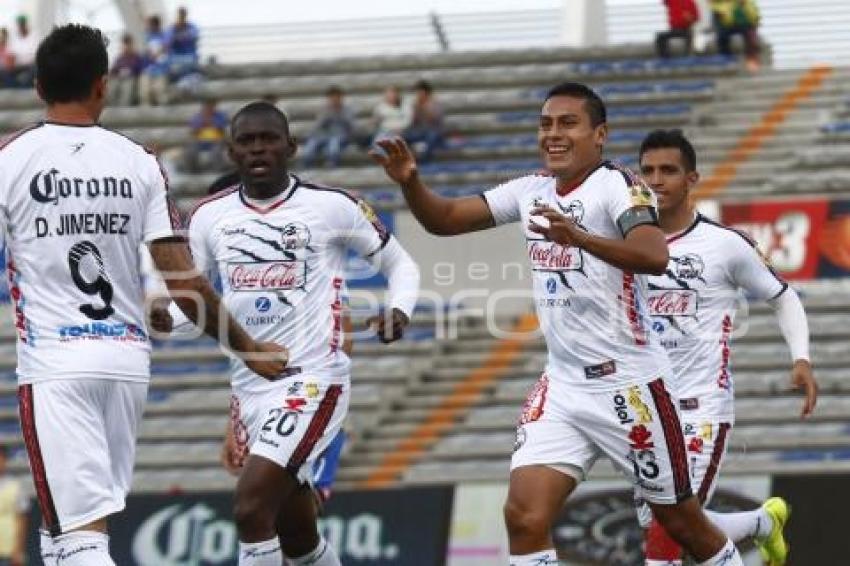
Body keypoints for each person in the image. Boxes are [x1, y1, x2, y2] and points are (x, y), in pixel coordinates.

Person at [373, 82, 747, 566]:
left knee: (681, 524)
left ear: (600, 134)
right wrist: (411, 183)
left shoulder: (620, 186)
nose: (553, 134)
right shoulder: (530, 191)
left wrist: (580, 237)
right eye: (546, 124)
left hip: (630, 385)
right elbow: (445, 219)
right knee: (524, 517)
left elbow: (654, 256)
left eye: (568, 123)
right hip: (564, 386)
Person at [0, 25, 288, 566]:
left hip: (56, 365)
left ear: (37, 86)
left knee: (80, 535)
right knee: (62, 526)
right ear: (103, 85)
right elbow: (185, 279)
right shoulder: (140, 162)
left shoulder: (10, 159)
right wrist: (248, 346)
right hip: (127, 365)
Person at [161, 100, 420, 566]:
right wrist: (168, 318)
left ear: (291, 147)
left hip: (312, 380)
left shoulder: (333, 207)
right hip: (250, 388)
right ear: (231, 151)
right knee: (296, 534)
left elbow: (400, 263)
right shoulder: (207, 217)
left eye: (268, 138)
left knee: (250, 508)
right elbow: (197, 299)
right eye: (247, 141)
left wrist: (398, 310)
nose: (258, 148)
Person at [637, 129, 818, 566]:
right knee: (666, 520)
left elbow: (783, 296)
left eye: (668, 170)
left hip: (701, 407)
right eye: (647, 172)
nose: (656, 181)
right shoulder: (626, 247)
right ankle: (761, 524)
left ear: (692, 178)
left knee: (667, 528)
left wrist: (801, 358)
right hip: (645, 408)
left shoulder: (724, 245)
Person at [301, 86, 356, 168]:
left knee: (333, 144)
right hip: (323, 135)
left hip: (340, 136)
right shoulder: (323, 110)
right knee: (311, 145)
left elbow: (352, 126)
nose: (335, 100)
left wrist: (340, 116)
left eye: (337, 97)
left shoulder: (347, 110)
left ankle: (331, 163)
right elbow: (317, 126)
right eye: (332, 97)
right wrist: (326, 116)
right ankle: (306, 165)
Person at [710, 0, 761, 71]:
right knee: (722, 36)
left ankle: (752, 62)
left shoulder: (747, 2)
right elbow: (720, 13)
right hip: (726, 25)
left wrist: (743, 7)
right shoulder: (718, 4)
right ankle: (726, 60)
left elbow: (754, 16)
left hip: (743, 24)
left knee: (750, 35)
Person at [402, 79, 444, 163]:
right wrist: (414, 111)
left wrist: (422, 108)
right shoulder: (415, 104)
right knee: (402, 137)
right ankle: (409, 157)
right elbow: (413, 122)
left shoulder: (435, 103)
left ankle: (424, 158)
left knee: (432, 136)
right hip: (419, 130)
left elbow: (434, 119)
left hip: (433, 130)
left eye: (420, 92)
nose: (418, 95)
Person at [184, 98, 229, 173]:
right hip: (200, 141)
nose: (209, 108)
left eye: (211, 106)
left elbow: (222, 129)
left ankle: (217, 170)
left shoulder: (220, 116)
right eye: (207, 106)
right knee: (190, 150)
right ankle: (193, 170)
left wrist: (212, 122)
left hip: (216, 141)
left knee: (217, 151)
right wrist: (202, 123)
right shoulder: (198, 117)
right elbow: (193, 131)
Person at [0, 446, 28, 566]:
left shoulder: (16, 486)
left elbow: (22, 519)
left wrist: (18, 550)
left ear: (5, 460)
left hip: (8, 551)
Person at [139, 15, 170, 106]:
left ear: (156, 25)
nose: (148, 27)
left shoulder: (164, 35)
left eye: (150, 25)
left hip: (161, 69)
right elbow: (146, 52)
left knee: (159, 91)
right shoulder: (147, 36)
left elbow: (165, 48)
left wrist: (156, 54)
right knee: (144, 92)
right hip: (149, 69)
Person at [109, 33, 144, 106]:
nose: (126, 46)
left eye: (128, 44)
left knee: (127, 89)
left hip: (131, 78)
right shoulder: (120, 58)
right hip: (119, 78)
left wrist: (129, 71)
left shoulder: (136, 57)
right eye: (124, 44)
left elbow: (139, 68)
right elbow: (114, 69)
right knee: (112, 87)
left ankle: (123, 108)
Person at [8, 15, 36, 88]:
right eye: (20, 24)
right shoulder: (14, 38)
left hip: (30, 66)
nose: (21, 26)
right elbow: (11, 56)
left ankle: (22, 85)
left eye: (22, 24)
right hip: (17, 67)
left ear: (26, 24)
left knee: (33, 71)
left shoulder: (34, 37)